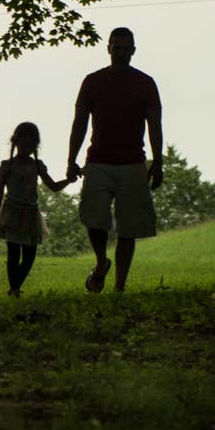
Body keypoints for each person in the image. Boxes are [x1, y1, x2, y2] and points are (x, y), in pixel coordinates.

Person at [65, 27, 163, 293]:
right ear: (108, 48)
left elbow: (155, 125)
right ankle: (100, 263)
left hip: (132, 163)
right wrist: (71, 159)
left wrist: (158, 162)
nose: (120, 52)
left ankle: (119, 287)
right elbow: (79, 123)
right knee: (94, 219)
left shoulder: (145, 83)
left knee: (128, 229)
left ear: (133, 50)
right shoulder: (92, 81)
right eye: (116, 47)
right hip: (98, 161)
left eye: (126, 48)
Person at [0, 121, 75, 297]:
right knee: (13, 255)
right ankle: (14, 289)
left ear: (35, 146)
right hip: (11, 213)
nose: (26, 148)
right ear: (16, 142)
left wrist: (69, 180)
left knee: (29, 257)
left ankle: (14, 287)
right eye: (23, 144)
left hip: (31, 214)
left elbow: (52, 186)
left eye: (30, 145)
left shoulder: (37, 165)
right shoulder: (8, 166)